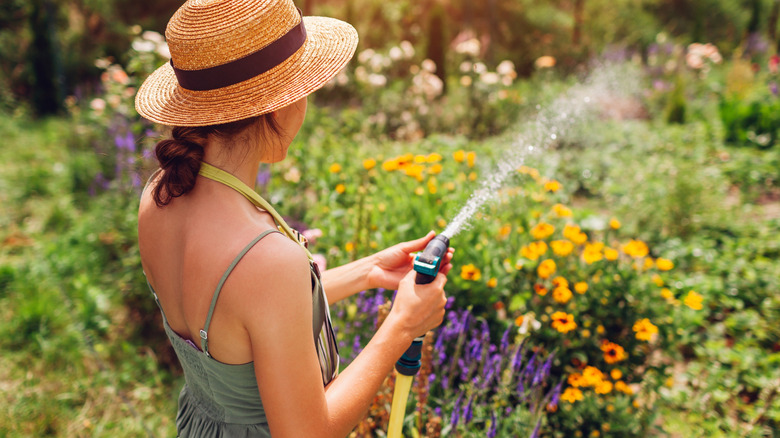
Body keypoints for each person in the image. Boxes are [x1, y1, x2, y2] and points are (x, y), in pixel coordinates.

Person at [134, 0, 453, 436]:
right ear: (278, 106)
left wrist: (368, 272)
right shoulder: (265, 258)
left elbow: (243, 319)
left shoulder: (158, 196)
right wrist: (402, 325)